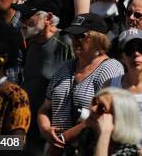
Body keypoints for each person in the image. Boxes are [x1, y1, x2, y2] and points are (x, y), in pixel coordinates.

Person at [37, 13, 124, 152]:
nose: (74, 40)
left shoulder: (110, 68)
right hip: (58, 149)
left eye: (81, 36)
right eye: (72, 36)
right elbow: (45, 108)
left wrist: (62, 140)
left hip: (90, 149)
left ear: (98, 38)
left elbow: (105, 116)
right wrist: (45, 128)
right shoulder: (64, 67)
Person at [17, 0, 74, 155]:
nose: (22, 22)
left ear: (48, 18)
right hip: (26, 127)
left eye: (29, 16)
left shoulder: (67, 42)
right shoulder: (32, 42)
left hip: (52, 133)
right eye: (22, 16)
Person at [79, 87, 142, 156]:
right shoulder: (89, 134)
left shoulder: (128, 150)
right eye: (95, 101)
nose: (93, 108)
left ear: (118, 118)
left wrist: (105, 134)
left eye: (102, 108)